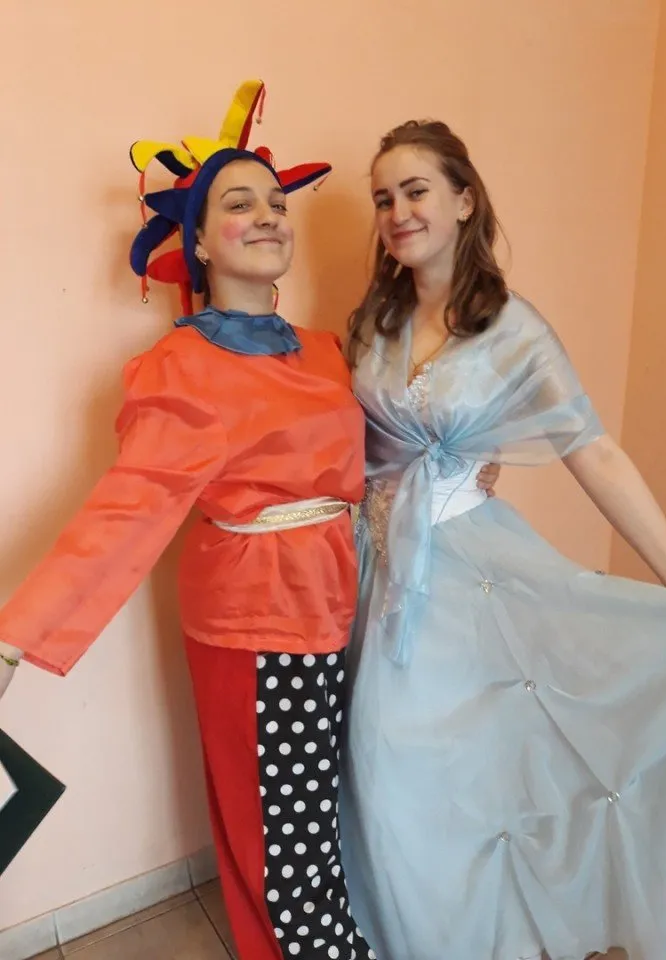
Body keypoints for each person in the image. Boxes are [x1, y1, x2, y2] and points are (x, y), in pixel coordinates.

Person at [0, 79, 385, 960]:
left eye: (277, 202)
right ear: (199, 241)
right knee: (281, 841)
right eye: (239, 203)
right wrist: (14, 640)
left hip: (335, 604)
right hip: (258, 623)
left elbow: (372, 461)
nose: (269, 215)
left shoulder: (326, 351)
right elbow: (126, 508)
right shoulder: (182, 366)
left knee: (307, 813)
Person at [339, 119, 666, 960]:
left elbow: (596, 452)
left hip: (469, 578)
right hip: (373, 575)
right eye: (383, 199)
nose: (398, 213)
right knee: (383, 779)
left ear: (464, 200)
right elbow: (340, 445)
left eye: (416, 191)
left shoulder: (513, 330)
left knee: (461, 786)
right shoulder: (372, 321)